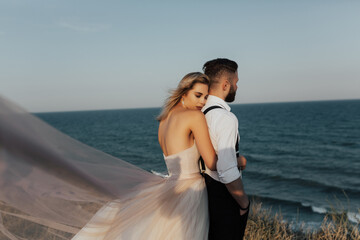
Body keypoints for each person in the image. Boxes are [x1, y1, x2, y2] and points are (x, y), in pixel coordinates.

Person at [201, 58, 250, 240]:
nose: (237, 87)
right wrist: (244, 202)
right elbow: (226, 169)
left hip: (204, 194)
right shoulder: (225, 118)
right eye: (236, 83)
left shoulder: (199, 112)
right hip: (223, 196)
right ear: (225, 84)